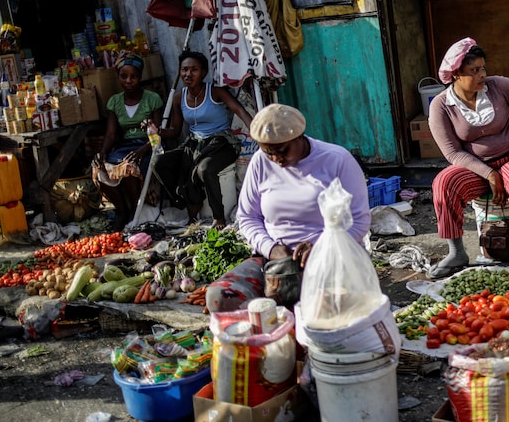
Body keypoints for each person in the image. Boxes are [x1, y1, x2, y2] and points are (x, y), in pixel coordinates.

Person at [205, 103, 371, 312]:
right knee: (219, 297)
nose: (276, 159)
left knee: (325, 308)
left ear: (299, 137)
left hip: (333, 257)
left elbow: (359, 221)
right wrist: (271, 248)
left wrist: (322, 248)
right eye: (269, 153)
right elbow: (247, 217)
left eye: (282, 150)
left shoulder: (337, 160)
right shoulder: (259, 162)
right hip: (277, 264)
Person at [426, 37, 509, 279]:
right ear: (456, 74)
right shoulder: (441, 106)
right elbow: (452, 152)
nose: (482, 75)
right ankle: (457, 252)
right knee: (443, 183)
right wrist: (489, 174)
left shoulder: (499, 86)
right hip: (474, 168)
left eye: (483, 68)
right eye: (474, 70)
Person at [154, 52, 253, 229]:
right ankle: (188, 200)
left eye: (194, 70)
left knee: (205, 169)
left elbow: (239, 110)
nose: (188, 74)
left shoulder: (215, 92)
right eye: (184, 70)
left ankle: (219, 218)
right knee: (159, 163)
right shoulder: (179, 97)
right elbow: (175, 132)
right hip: (194, 145)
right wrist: (157, 131)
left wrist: (256, 130)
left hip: (221, 144)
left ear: (204, 72)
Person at [93, 53, 164, 229]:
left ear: (140, 76)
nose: (128, 81)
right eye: (123, 76)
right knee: (98, 168)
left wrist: (142, 150)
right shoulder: (114, 102)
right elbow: (111, 134)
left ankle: (135, 211)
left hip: (148, 145)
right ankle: (122, 210)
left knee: (129, 168)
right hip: (125, 146)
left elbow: (158, 133)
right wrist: (102, 153)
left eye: (133, 76)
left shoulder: (152, 99)